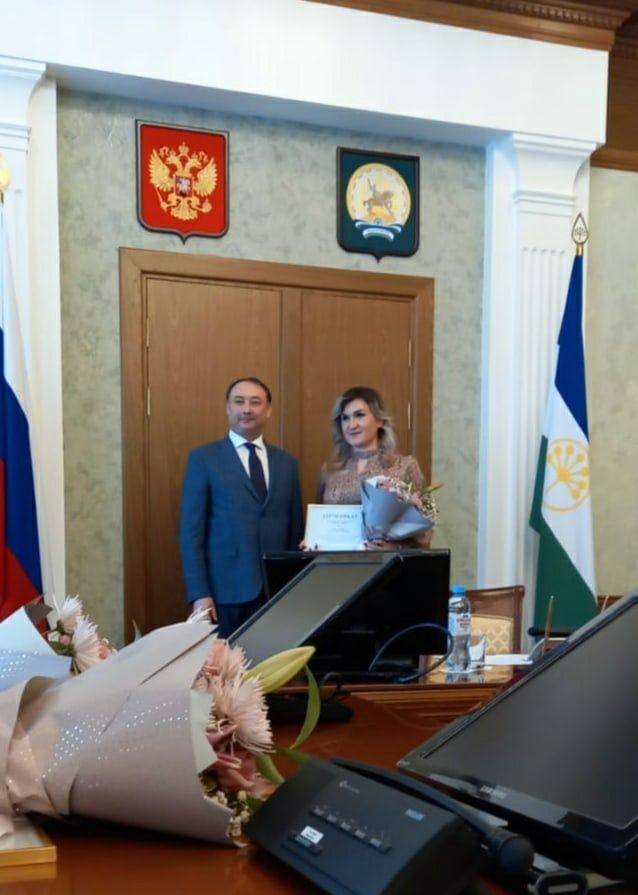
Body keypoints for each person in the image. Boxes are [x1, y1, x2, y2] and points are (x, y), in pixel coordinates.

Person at [179, 377, 304, 638]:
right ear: (228, 408)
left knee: (274, 663)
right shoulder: (204, 459)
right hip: (223, 595)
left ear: (268, 410)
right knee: (225, 663)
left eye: (255, 402)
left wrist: (295, 589)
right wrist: (199, 594)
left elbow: (295, 529)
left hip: (276, 593)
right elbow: (191, 534)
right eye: (239, 402)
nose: (247, 409)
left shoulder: (287, 464)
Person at [317, 385, 434, 547]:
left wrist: (395, 548)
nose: (351, 425)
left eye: (359, 415)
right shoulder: (329, 470)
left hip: (388, 561)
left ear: (379, 420)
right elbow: (319, 521)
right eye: (345, 418)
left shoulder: (406, 466)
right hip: (337, 560)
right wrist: (313, 540)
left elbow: (428, 525)